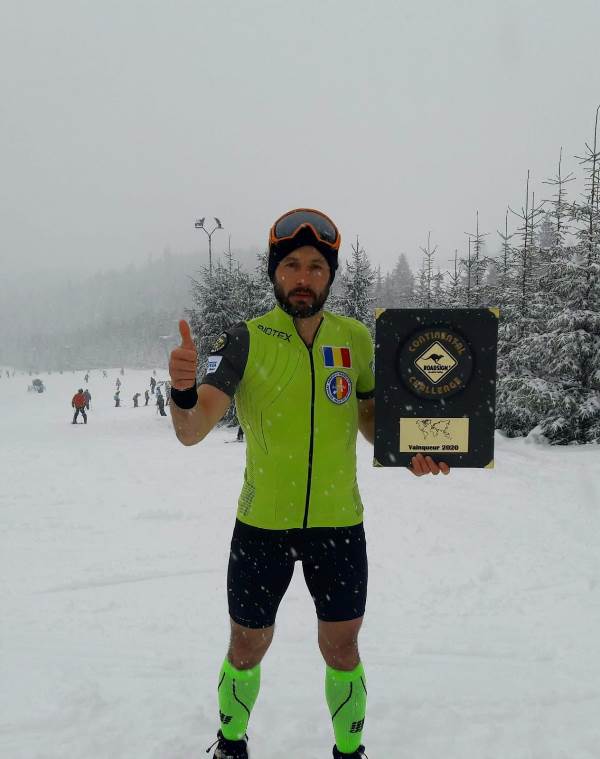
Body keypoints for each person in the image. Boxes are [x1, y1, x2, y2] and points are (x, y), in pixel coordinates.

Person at [168, 208, 451, 759]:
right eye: (292, 265)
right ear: (275, 272)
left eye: (316, 267)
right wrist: (181, 391)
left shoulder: (356, 339)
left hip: (338, 524)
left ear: (330, 275)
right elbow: (192, 429)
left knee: (342, 648)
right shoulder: (244, 339)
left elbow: (370, 420)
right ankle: (231, 743)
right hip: (262, 527)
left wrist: (410, 450)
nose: (303, 277)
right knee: (247, 646)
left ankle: (349, 750)